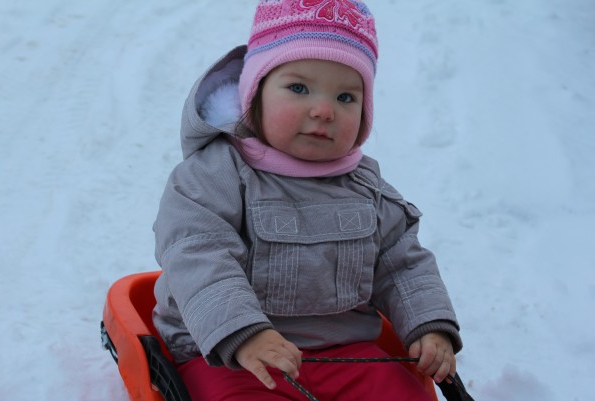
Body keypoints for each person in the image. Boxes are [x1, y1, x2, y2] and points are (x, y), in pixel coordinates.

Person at [152, 0, 462, 399]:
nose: (323, 110)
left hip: (344, 355)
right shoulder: (213, 174)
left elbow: (402, 264)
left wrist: (430, 325)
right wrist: (244, 332)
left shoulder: (365, 185)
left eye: (346, 98)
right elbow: (197, 254)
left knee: (402, 392)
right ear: (255, 93)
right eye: (299, 88)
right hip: (230, 355)